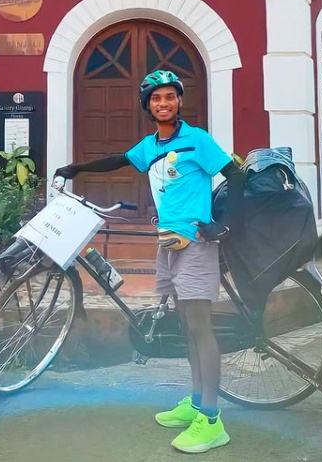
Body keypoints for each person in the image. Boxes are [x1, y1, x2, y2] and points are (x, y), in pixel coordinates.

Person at [54, 69, 245, 454]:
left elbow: (236, 176)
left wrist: (222, 226)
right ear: (148, 105)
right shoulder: (151, 146)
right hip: (167, 243)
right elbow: (118, 161)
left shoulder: (198, 140)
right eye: (157, 98)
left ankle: (211, 420)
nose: (164, 103)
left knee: (200, 328)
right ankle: (195, 403)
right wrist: (77, 169)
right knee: (187, 327)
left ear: (178, 102)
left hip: (194, 243)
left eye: (170, 96)